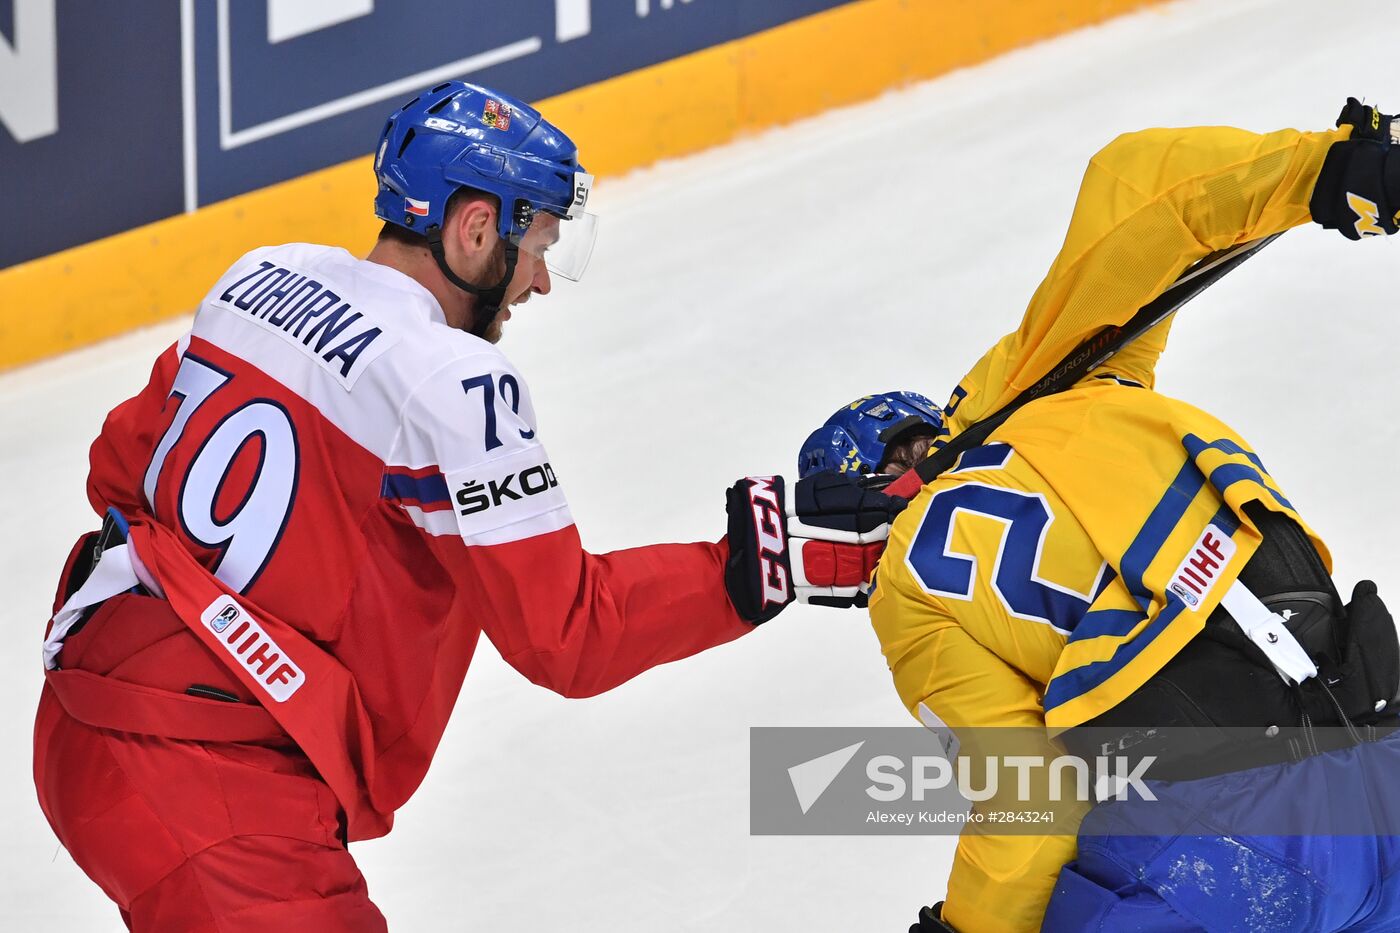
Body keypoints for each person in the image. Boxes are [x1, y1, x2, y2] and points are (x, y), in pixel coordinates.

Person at [32, 81, 902, 930]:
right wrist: (767, 564)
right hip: (211, 794)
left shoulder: (261, 277)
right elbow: (570, 636)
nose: (540, 283)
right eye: (537, 247)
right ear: (476, 226)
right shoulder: (454, 382)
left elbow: (117, 469)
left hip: (80, 719)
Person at [801, 99, 1400, 932]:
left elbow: (1032, 806)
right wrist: (1327, 169)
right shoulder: (1073, 379)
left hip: (1235, 851)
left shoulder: (908, 588)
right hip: (1382, 757)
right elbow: (1136, 189)